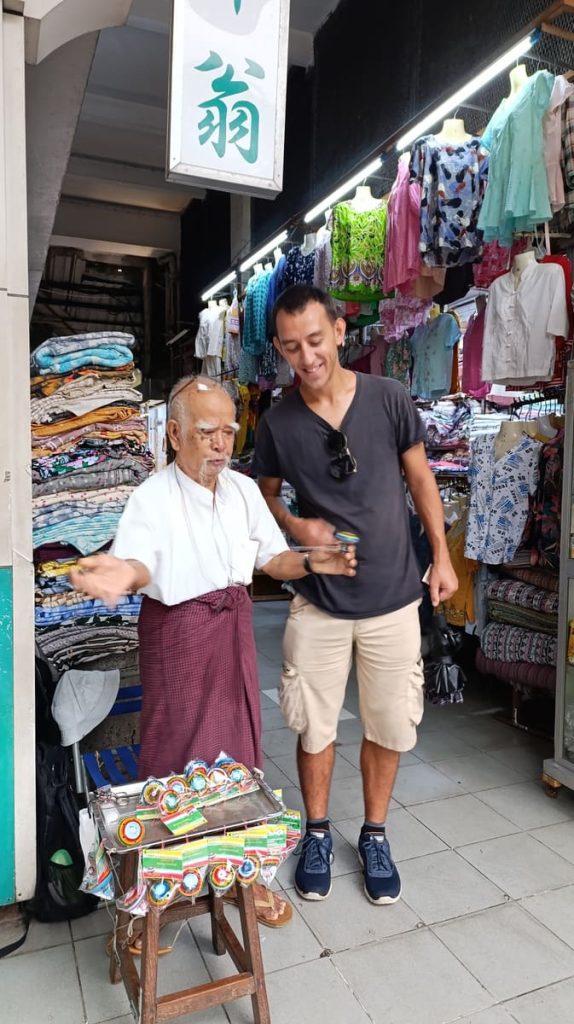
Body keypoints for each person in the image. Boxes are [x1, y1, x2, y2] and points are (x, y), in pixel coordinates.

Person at [70, 375, 356, 930]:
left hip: (232, 632)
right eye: (207, 432)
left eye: (229, 430)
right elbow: (140, 565)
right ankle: (152, 902)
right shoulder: (151, 497)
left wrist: (312, 561)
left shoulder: (245, 491)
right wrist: (118, 573)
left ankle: (247, 878)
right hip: (178, 635)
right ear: (175, 434)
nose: (222, 443)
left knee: (239, 756)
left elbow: (272, 561)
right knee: (173, 757)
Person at [254, 285, 458, 906]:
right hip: (318, 600)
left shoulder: (390, 398)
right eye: (292, 348)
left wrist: (442, 556)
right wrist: (297, 525)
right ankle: (316, 832)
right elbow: (263, 495)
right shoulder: (278, 421)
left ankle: (374, 834)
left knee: (390, 722)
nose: (306, 357)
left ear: (340, 331)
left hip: (395, 596)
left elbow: (421, 479)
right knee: (313, 725)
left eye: (315, 340)